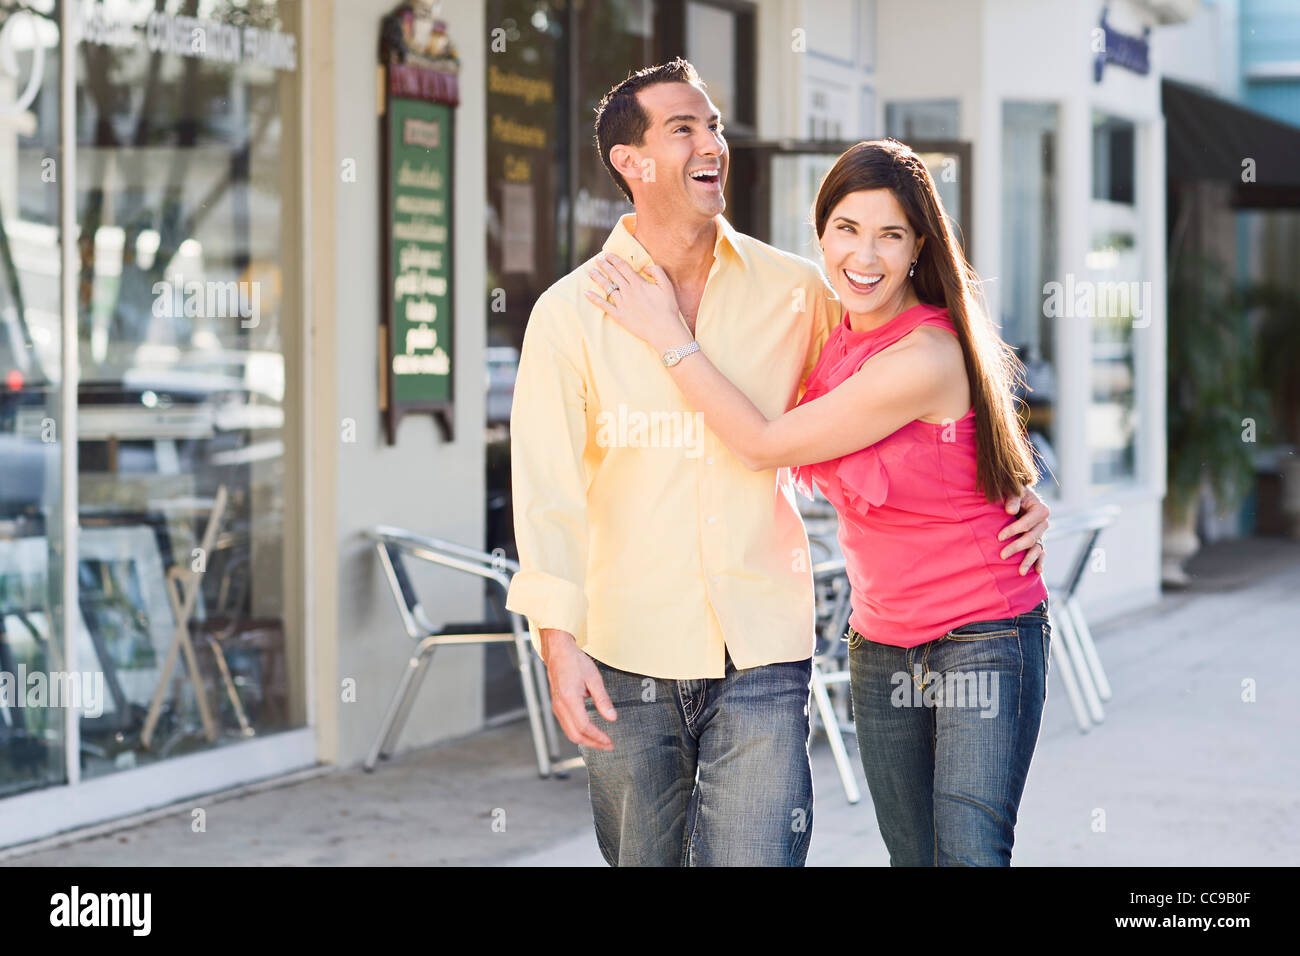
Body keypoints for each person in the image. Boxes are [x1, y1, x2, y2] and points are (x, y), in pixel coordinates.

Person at [507, 62, 1049, 867]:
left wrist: (1014, 486)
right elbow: (546, 488)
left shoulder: (798, 292)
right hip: (628, 645)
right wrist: (558, 638)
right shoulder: (570, 312)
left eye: (715, 126)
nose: (711, 144)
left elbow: (918, 363)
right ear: (631, 161)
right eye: (684, 129)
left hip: (763, 645)